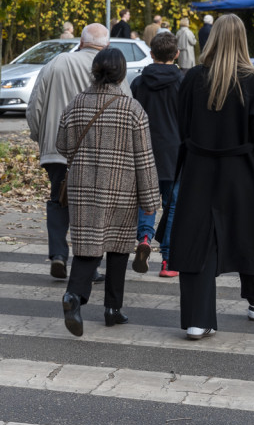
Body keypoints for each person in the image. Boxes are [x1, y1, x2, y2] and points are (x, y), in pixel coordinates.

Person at [169, 13, 254, 341]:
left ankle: (197, 319)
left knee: (197, 239)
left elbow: (182, 125)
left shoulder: (193, 77)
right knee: (245, 233)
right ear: (242, 40)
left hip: (199, 167)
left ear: (212, 38)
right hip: (240, 169)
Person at [56, 48, 160, 337]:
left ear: (95, 71)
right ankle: (112, 308)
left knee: (88, 245)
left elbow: (62, 145)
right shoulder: (132, 109)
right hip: (121, 189)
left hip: (82, 187)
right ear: (122, 73)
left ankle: (74, 296)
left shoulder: (76, 103)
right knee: (118, 248)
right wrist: (150, 200)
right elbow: (144, 159)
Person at [27, 23, 130, 281]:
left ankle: (58, 254)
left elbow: (35, 106)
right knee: (92, 208)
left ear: (81, 42)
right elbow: (126, 106)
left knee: (58, 199)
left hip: (56, 151)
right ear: (107, 46)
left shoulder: (57, 62)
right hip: (98, 153)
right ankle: (89, 267)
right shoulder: (113, 68)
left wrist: (41, 137)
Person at [130, 32, 183, 278]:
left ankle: (144, 237)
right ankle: (168, 261)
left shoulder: (138, 83)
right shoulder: (183, 83)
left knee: (146, 201)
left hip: (144, 151)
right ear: (177, 54)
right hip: (175, 152)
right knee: (172, 206)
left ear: (151, 54)